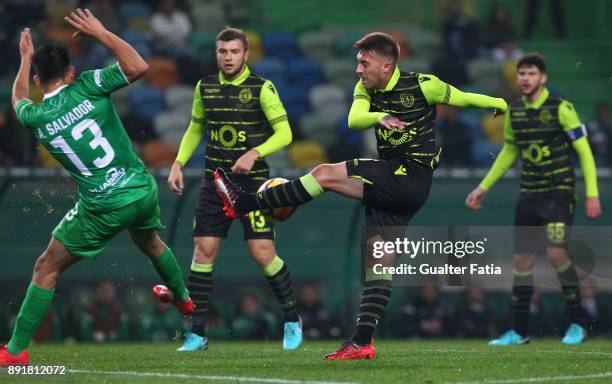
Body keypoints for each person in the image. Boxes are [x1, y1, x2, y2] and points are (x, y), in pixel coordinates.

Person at [214, 32, 507, 360]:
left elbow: (463, 98)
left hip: (410, 175)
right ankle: (361, 342)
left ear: (386, 65)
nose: (358, 70)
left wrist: (499, 103)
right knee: (378, 265)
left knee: (324, 173)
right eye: (357, 63)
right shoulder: (364, 90)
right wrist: (380, 117)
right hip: (396, 186)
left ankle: (243, 202)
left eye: (364, 63)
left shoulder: (424, 85)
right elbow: (354, 120)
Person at [0, 9, 192, 366]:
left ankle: (14, 352)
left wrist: (24, 60)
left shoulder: (36, 117)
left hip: (103, 205)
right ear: (71, 72)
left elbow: (17, 101)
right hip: (141, 189)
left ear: (40, 80)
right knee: (150, 242)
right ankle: (182, 297)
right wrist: (101, 32)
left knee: (46, 268)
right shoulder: (89, 83)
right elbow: (139, 67)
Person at [166, 27, 301, 351]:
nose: (228, 57)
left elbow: (285, 133)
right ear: (216, 54)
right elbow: (196, 126)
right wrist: (178, 162)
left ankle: (292, 320)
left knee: (262, 254)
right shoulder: (205, 87)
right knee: (203, 252)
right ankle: (197, 333)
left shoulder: (261, 88)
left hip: (253, 187)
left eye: (234, 52)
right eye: (222, 52)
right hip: (216, 183)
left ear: (246, 54)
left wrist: (256, 152)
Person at [466, 53, 602, 346]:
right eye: (522, 74)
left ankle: (578, 324)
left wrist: (592, 193)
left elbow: (585, 152)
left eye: (531, 74)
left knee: (556, 253)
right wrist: (483, 187)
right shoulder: (514, 112)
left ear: (543, 78)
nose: (525, 79)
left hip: (558, 193)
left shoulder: (561, 108)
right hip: (529, 194)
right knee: (522, 260)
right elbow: (509, 152)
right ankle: (518, 331)